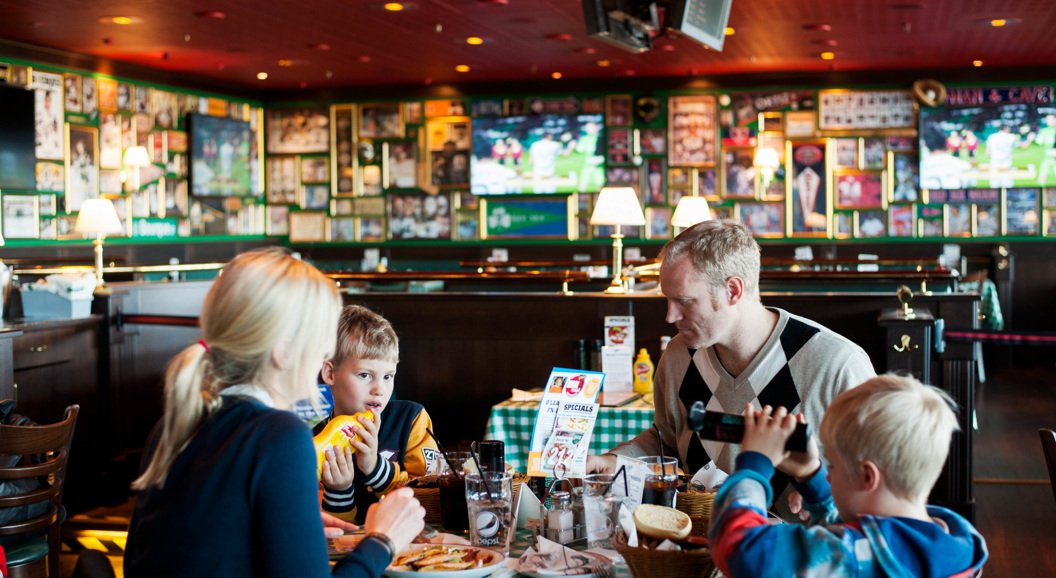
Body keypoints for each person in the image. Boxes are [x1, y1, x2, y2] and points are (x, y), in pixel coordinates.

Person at [125, 248, 426, 578]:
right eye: (321, 341)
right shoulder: (279, 435)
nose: (325, 354)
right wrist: (383, 541)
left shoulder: (173, 425)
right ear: (283, 352)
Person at [586, 220, 875, 518]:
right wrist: (616, 460)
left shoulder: (837, 363)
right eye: (667, 300)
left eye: (684, 301)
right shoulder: (677, 355)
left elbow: (881, 475)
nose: (670, 315)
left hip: (802, 554)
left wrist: (826, 486)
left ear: (733, 290)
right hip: (701, 547)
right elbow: (666, 442)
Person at [708, 374, 988, 577]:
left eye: (832, 466)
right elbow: (852, 539)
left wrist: (755, 465)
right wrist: (809, 475)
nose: (828, 477)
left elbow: (740, 551)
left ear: (868, 476)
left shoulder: (855, 556)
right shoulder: (954, 538)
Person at [318, 306, 440, 525]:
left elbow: (428, 504)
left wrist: (375, 468)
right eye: (365, 375)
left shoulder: (411, 419)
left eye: (388, 376)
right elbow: (330, 534)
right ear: (330, 373)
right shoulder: (314, 440)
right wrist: (338, 490)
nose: (380, 389)